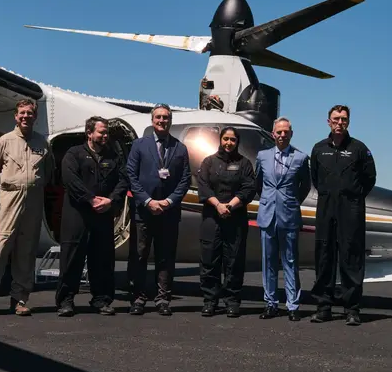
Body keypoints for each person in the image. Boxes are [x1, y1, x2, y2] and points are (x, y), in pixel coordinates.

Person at [0, 99, 55, 317]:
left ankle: (20, 300)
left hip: (33, 203)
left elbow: (48, 174)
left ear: (35, 117)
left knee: (26, 253)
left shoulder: (42, 143)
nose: (26, 116)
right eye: (22, 113)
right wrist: (7, 192)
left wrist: (32, 188)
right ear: (15, 116)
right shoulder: (4, 141)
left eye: (30, 113)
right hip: (9, 201)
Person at [55, 116, 129, 317]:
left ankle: (101, 299)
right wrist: (90, 199)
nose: (105, 136)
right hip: (77, 214)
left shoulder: (113, 156)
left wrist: (111, 200)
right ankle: (66, 300)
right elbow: (70, 179)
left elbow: (123, 180)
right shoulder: (74, 154)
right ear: (89, 133)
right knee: (71, 258)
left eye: (106, 132)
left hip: (103, 215)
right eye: (101, 132)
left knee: (103, 259)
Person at [310, 105, 376, 326]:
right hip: (326, 208)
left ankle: (352, 309)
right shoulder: (319, 149)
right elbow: (315, 179)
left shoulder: (359, 149)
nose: (340, 122)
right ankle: (324, 306)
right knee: (324, 257)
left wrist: (353, 197)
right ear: (328, 121)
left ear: (348, 122)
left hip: (351, 210)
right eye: (336, 119)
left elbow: (369, 179)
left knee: (351, 259)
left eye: (344, 119)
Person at [126, 103, 191, 316]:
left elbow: (184, 179)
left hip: (169, 213)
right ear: (152, 120)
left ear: (170, 121)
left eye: (166, 118)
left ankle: (163, 299)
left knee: (165, 256)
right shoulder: (139, 145)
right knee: (139, 255)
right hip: (144, 212)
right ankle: (138, 298)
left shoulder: (180, 148)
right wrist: (148, 201)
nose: (162, 121)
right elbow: (131, 176)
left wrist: (169, 202)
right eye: (158, 118)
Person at [254, 117, 311, 321]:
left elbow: (305, 186)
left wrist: (291, 202)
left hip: (289, 215)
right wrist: (269, 200)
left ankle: (293, 305)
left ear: (291, 134)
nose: (282, 135)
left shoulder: (301, 158)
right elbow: (259, 183)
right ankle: (270, 303)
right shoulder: (262, 156)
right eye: (279, 132)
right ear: (273, 134)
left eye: (286, 131)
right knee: (268, 261)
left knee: (290, 261)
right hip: (267, 214)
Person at [196, 126, 256, 318]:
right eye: (226, 139)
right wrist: (218, 206)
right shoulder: (208, 162)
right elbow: (203, 187)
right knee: (210, 260)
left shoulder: (244, 163)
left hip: (235, 218)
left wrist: (230, 205)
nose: (229, 143)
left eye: (233, 140)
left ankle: (232, 301)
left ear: (237, 142)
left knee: (234, 261)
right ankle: (210, 301)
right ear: (220, 140)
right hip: (212, 218)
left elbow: (249, 188)